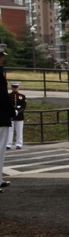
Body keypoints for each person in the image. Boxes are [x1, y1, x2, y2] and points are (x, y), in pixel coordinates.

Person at [0, 46, 13, 190]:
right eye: (1, 56)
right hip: (1, 117)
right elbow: (3, 97)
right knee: (0, 150)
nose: (2, 59)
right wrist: (12, 112)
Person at [9, 82, 26, 150]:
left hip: (19, 116)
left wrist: (17, 111)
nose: (15, 89)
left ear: (18, 88)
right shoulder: (8, 96)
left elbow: (23, 106)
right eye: (14, 87)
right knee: (10, 131)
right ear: (12, 88)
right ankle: (8, 143)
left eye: (16, 87)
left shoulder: (22, 96)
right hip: (11, 115)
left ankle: (19, 143)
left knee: (19, 130)